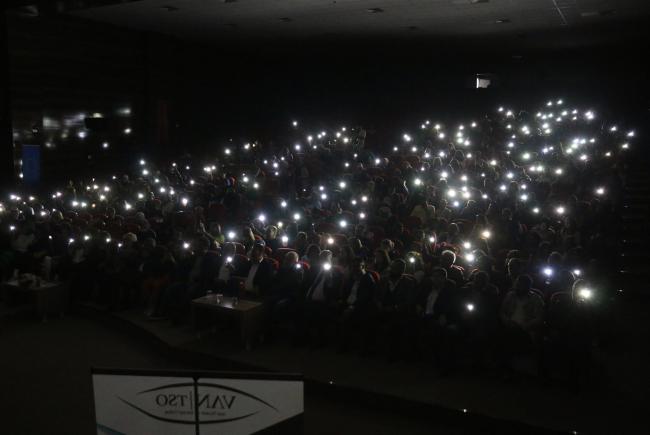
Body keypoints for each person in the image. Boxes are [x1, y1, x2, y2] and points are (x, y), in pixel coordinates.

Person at [499, 274, 545, 373]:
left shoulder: (535, 299)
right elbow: (502, 312)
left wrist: (526, 325)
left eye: (521, 285)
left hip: (527, 329)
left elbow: (539, 317)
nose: (518, 286)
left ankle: (517, 370)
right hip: (510, 326)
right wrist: (507, 321)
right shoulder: (510, 296)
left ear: (528, 286)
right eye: (518, 284)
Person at [337, 258, 376, 352]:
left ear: (362, 267)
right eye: (352, 267)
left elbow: (364, 298)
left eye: (356, 266)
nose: (354, 269)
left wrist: (352, 307)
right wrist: (342, 300)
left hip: (360, 307)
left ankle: (346, 346)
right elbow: (346, 293)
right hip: (348, 303)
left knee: (348, 316)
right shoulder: (352, 278)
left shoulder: (367, 279)